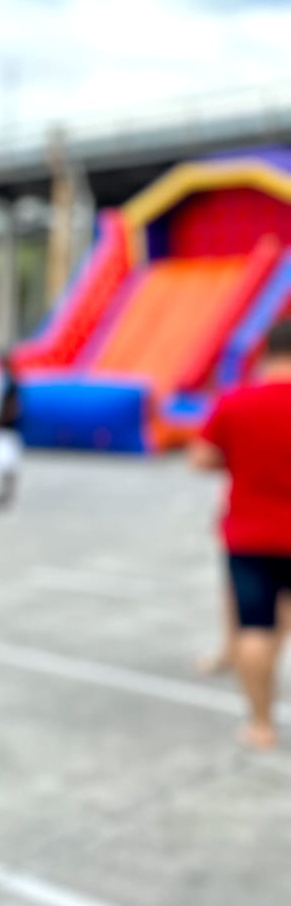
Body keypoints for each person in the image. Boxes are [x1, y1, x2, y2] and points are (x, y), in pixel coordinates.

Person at [191, 316, 291, 751]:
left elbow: (200, 459)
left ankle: (261, 724)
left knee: (255, 627)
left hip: (249, 535)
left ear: (267, 351)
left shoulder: (235, 401)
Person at [0, 352, 24, 510]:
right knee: (4, 464)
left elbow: (13, 407)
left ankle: (8, 494)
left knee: (7, 464)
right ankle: (6, 493)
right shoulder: (9, 382)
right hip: (7, 428)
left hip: (7, 429)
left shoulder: (10, 383)